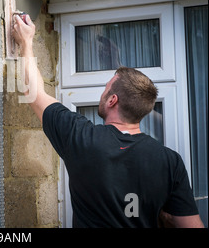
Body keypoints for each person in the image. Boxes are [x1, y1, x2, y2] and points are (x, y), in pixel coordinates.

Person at [11, 14, 204, 228]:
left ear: (112, 100)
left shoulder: (83, 138)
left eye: (105, 89)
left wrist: (26, 42)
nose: (102, 93)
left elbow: (33, 92)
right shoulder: (170, 161)